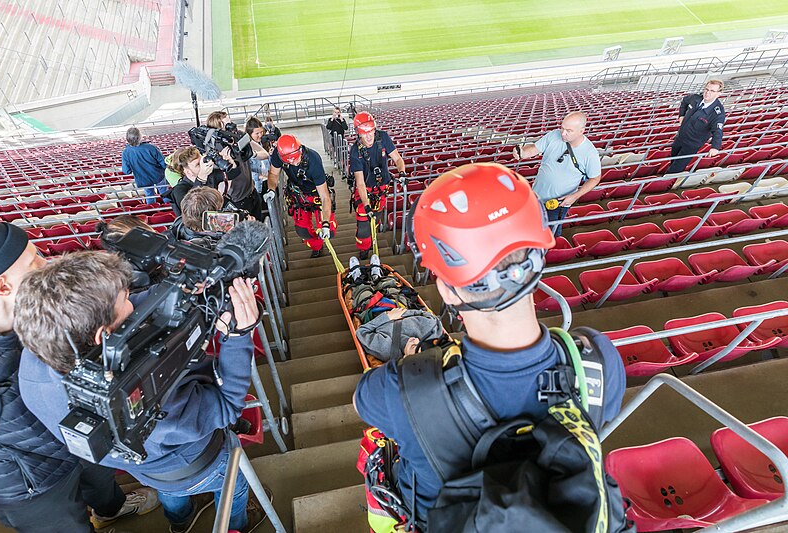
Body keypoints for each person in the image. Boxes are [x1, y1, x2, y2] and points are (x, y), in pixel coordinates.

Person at [353, 163, 626, 528]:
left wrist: (415, 366)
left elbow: (363, 402)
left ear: (448, 291)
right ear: (539, 259)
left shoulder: (401, 389)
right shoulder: (598, 360)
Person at [16, 251, 267, 533]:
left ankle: (181, 521)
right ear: (105, 336)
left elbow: (129, 308)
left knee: (172, 495)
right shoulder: (147, 401)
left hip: (149, 470)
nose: (133, 303)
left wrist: (180, 291)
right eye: (125, 301)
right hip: (196, 463)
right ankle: (237, 524)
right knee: (234, 486)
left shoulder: (32, 366)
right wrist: (238, 336)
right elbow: (226, 407)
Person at [0, 222, 158, 533]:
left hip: (77, 440)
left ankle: (111, 509)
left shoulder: (38, 312)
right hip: (32, 485)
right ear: (2, 286)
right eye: (35, 260)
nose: (46, 264)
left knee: (100, 478)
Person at [514, 111, 601, 237]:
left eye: (569, 131)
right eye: (562, 128)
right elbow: (534, 149)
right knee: (530, 224)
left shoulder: (590, 153)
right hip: (536, 194)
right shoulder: (553, 135)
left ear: (581, 131)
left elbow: (595, 178)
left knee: (549, 233)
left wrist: (575, 196)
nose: (563, 134)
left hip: (558, 203)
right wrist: (521, 152)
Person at [266, 134, 336, 258]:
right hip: (298, 194)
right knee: (303, 230)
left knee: (330, 229)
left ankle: (323, 237)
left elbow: (325, 196)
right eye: (290, 161)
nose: (294, 162)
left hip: (316, 193)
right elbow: (273, 174)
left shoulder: (313, 161)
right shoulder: (278, 155)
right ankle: (316, 246)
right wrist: (271, 189)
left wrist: (325, 223)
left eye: (296, 159)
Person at [349, 112, 406, 260]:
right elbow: (360, 183)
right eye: (364, 133)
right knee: (363, 223)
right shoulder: (355, 152)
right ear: (358, 134)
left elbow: (398, 159)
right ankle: (363, 248)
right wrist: (366, 205)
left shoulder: (383, 138)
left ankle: (371, 237)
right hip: (365, 190)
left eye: (371, 132)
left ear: (375, 129)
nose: (368, 137)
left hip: (381, 188)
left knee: (376, 217)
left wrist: (402, 173)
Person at [204, 112, 263, 221]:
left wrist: (251, 153)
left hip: (252, 193)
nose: (232, 127)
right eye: (227, 125)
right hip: (237, 202)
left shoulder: (238, 137)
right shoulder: (215, 153)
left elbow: (264, 154)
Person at [665, 79, 726, 174]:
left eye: (712, 91)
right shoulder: (695, 98)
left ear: (719, 94)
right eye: (706, 89)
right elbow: (684, 101)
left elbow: (718, 130)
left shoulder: (718, 113)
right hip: (680, 138)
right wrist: (681, 115)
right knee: (673, 160)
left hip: (691, 145)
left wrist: (715, 147)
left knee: (675, 169)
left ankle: (665, 183)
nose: (707, 93)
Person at [121, 127, 170, 204]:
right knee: (165, 192)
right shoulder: (150, 147)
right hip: (158, 175)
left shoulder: (126, 152)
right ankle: (171, 208)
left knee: (149, 195)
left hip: (143, 179)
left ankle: (152, 210)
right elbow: (163, 163)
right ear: (139, 137)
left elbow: (126, 171)